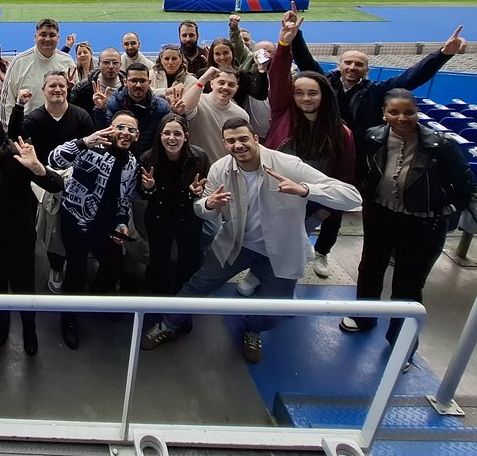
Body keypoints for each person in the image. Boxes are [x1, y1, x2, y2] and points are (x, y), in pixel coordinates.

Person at [140, 120, 361, 364]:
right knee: (197, 285)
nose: (238, 145)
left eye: (243, 139)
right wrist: (209, 205)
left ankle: (253, 327)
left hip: (280, 251)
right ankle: (169, 324)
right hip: (236, 244)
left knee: (275, 312)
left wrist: (305, 190)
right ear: (224, 144)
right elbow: (201, 208)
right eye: (231, 141)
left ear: (256, 138)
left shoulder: (289, 165)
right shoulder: (220, 169)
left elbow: (352, 197)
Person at [340, 90, 477, 356]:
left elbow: (469, 187)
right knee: (370, 270)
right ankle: (364, 317)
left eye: (409, 112)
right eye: (394, 112)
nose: (401, 118)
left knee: (408, 286)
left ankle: (400, 345)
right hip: (380, 216)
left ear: (417, 112)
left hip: (424, 225)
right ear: (384, 113)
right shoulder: (371, 138)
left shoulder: (441, 146)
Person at [265, 10, 356, 282]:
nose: (305, 98)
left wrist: (330, 207)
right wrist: (284, 44)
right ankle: (261, 272)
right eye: (299, 92)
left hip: (312, 201)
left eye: (312, 92)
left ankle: (286, 280)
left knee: (296, 242)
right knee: (268, 237)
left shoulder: (342, 134)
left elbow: (345, 175)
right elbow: (279, 77)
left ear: (324, 95)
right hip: (276, 193)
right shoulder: (283, 111)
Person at [0, 111, 62, 356]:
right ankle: (2, 319)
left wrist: (38, 167)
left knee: (24, 287)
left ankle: (29, 328)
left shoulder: (16, 157)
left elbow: (56, 185)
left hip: (19, 237)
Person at [49, 111, 140, 350]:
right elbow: (54, 160)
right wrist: (83, 142)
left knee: (112, 267)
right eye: (121, 127)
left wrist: (121, 221)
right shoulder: (90, 149)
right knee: (75, 272)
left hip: (107, 226)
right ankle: (68, 319)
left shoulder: (132, 163)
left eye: (131, 130)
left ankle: (95, 301)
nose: (125, 133)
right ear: (111, 129)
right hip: (76, 221)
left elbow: (125, 198)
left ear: (137, 136)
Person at [288, 18, 468, 138]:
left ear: (367, 70)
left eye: (359, 65)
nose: (352, 67)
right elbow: (305, 60)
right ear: (339, 65)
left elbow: (412, 78)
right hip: (323, 145)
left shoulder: (376, 92)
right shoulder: (324, 83)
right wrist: (295, 35)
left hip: (358, 152)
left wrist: (443, 54)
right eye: (348, 63)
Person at [7, 69, 96, 294]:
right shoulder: (35, 118)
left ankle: (77, 268)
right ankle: (56, 267)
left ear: (68, 89)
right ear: (43, 90)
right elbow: (14, 135)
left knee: (78, 229)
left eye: (62, 86)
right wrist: (19, 106)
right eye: (52, 86)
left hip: (77, 182)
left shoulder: (82, 116)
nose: (57, 89)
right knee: (53, 231)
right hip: (46, 182)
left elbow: (91, 149)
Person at [139, 114, 211, 295]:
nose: (172, 138)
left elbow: (204, 189)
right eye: (167, 133)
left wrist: (195, 193)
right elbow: (143, 195)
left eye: (177, 134)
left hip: (188, 216)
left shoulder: (199, 157)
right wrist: (149, 188)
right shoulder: (148, 158)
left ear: (186, 136)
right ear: (160, 135)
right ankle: (157, 300)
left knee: (189, 260)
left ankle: (184, 302)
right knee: (158, 260)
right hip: (158, 216)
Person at [0, 18, 75, 124]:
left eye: (52, 35)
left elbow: (75, 99)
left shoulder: (68, 62)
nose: (47, 39)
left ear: (58, 38)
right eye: (43, 35)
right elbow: (7, 101)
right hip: (26, 132)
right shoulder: (19, 62)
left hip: (62, 128)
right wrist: (8, 132)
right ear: (35, 37)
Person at [94, 62, 171, 157]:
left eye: (142, 81)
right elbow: (105, 133)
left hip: (150, 159)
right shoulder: (113, 103)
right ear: (125, 82)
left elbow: (170, 134)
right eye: (133, 80)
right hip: (118, 157)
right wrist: (100, 109)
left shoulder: (161, 107)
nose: (138, 85)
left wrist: (178, 114)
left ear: (149, 83)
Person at [177, 66, 249, 161]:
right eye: (221, 82)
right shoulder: (198, 101)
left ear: (236, 88)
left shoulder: (241, 115)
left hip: (223, 169)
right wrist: (203, 79)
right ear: (211, 84)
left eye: (231, 85)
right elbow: (185, 107)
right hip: (196, 166)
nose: (225, 87)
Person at [71, 48, 124, 115]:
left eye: (115, 63)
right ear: (99, 65)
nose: (111, 66)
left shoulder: (128, 86)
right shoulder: (83, 88)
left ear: (120, 65)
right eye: (106, 62)